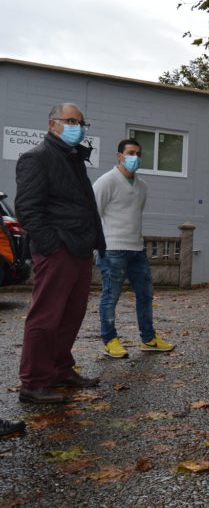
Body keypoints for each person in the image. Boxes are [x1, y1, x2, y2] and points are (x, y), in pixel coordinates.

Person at [14, 103, 105, 404]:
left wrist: (92, 243)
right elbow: (28, 210)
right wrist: (53, 245)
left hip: (79, 249)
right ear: (52, 124)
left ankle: (59, 370)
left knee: (70, 316)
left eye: (80, 123)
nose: (77, 127)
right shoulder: (36, 158)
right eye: (70, 121)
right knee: (46, 316)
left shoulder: (73, 158)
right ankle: (34, 382)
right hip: (58, 251)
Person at [92, 139, 176, 358]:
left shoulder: (142, 186)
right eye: (130, 153)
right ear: (119, 156)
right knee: (111, 297)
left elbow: (134, 214)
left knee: (146, 295)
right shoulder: (106, 181)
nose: (135, 158)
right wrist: (96, 247)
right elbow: (93, 215)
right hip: (112, 250)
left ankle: (149, 339)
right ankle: (110, 340)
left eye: (138, 154)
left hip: (137, 249)